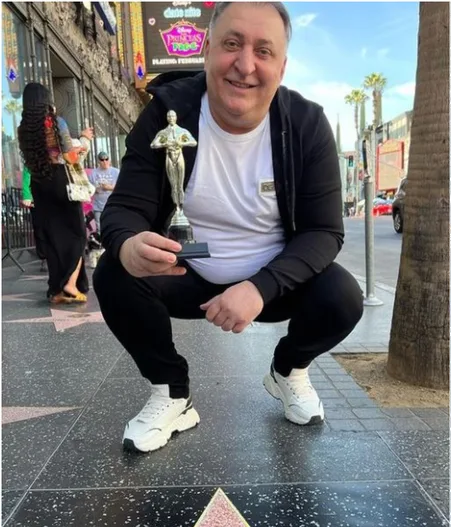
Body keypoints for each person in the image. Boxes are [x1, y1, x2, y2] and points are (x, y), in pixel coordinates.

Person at [94, 1, 364, 453]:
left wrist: (259, 287)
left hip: (273, 279)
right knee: (114, 273)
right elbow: (124, 208)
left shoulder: (306, 123)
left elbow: (324, 232)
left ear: (282, 66)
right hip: (185, 270)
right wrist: (128, 244)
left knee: (342, 296)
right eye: (232, 44)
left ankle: (287, 370)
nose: (245, 64)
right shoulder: (166, 113)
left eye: (264, 51)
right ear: (207, 50)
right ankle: (171, 392)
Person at [17, 82, 94, 303]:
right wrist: (84, 141)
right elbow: (69, 156)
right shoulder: (56, 122)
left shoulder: (23, 129)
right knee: (77, 234)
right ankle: (70, 284)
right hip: (61, 181)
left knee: (53, 237)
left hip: (39, 184)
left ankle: (56, 289)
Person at [88, 151, 119, 234]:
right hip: (98, 206)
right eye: (102, 160)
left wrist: (110, 188)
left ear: (109, 160)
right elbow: (89, 190)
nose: (105, 162)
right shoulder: (93, 173)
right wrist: (96, 189)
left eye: (106, 159)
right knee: (99, 228)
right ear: (98, 161)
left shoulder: (116, 172)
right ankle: (100, 240)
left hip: (112, 205)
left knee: (113, 226)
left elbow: (122, 187)